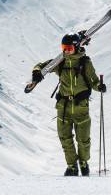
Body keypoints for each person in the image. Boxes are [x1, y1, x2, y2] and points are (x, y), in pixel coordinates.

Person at [31, 33, 107, 176]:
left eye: (69, 48)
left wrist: (100, 87)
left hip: (81, 107)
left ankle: (84, 163)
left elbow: (94, 81)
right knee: (65, 139)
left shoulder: (85, 62)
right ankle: (72, 166)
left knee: (83, 140)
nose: (66, 51)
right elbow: (41, 66)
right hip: (63, 107)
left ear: (76, 47)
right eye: (63, 47)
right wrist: (36, 72)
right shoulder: (60, 61)